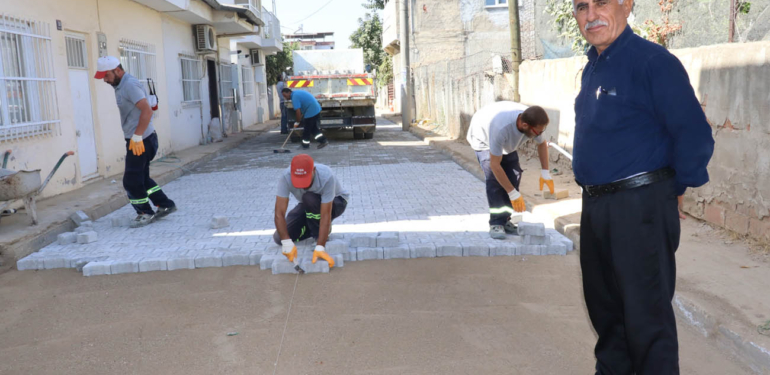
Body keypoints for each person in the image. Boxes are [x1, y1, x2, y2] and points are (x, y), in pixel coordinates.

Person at [571, 0, 715, 373]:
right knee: (608, 316)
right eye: (581, 6)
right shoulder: (593, 67)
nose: (591, 15)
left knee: (646, 319)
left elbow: (694, 134)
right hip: (597, 207)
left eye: (601, 2)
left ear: (626, 5)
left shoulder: (652, 62)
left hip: (640, 207)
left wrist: (672, 188)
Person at [95, 56, 177, 228]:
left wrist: (138, 136)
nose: (105, 79)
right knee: (142, 177)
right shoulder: (120, 85)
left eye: (106, 75)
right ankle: (165, 204)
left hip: (141, 140)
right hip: (138, 139)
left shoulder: (129, 85)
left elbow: (147, 110)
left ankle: (145, 212)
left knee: (131, 180)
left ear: (117, 70)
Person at [466, 102, 553, 239]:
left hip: (506, 142)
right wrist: (512, 193)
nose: (540, 134)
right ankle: (496, 223)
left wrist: (545, 172)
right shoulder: (500, 129)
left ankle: (505, 220)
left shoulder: (533, 121)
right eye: (539, 132)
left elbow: (542, 144)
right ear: (525, 125)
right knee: (495, 181)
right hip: (483, 139)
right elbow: (495, 165)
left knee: (513, 177)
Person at [273, 154, 349, 268]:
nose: (302, 186)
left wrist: (320, 246)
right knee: (279, 237)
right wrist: (286, 242)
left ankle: (320, 233)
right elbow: (279, 213)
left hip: (336, 202)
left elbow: (325, 215)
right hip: (308, 204)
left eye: (305, 180)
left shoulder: (326, 176)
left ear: (313, 170)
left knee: (309, 197)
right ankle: (313, 226)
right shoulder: (285, 177)